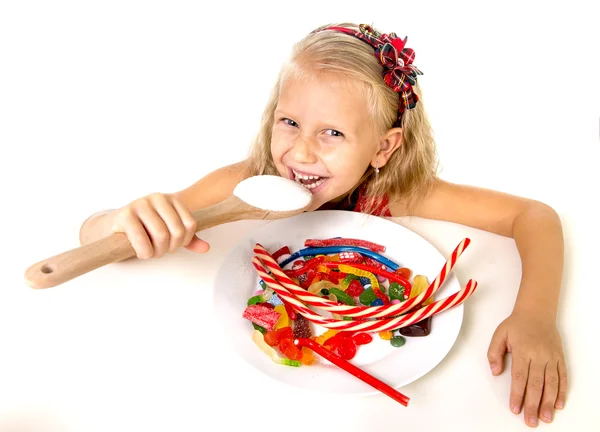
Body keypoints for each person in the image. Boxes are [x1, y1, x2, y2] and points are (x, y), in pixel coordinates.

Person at [78, 23, 567, 427]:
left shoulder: (395, 190)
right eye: (289, 122)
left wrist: (536, 315)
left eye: (332, 133)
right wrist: (117, 222)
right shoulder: (245, 184)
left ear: (383, 148)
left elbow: (533, 216)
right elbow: (105, 240)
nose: (301, 152)